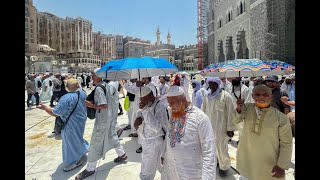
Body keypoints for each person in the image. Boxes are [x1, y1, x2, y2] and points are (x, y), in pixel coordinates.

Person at [76, 69, 127, 180]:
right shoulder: (110, 84)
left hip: (103, 121)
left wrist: (90, 105)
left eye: (93, 75)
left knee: (95, 144)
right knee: (112, 135)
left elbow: (103, 106)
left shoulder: (99, 88)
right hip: (111, 118)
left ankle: (90, 169)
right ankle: (122, 154)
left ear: (99, 75)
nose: (91, 77)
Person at [233, 85, 293, 180]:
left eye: (265, 95)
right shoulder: (246, 107)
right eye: (258, 94)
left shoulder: (281, 118)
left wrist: (281, 165)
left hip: (269, 163)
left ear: (271, 97)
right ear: (253, 96)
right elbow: (235, 120)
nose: (261, 97)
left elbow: (286, 143)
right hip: (246, 158)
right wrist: (238, 108)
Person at [161, 86, 216, 179]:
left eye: (171, 103)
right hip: (171, 168)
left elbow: (209, 152)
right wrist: (164, 154)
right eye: (168, 103)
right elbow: (169, 135)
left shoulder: (200, 118)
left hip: (190, 173)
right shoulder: (173, 112)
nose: (169, 106)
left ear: (182, 100)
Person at [37, 78, 89, 172]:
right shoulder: (83, 93)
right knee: (77, 137)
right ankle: (83, 150)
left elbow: (56, 113)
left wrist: (45, 108)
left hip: (70, 124)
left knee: (70, 143)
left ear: (67, 87)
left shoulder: (66, 98)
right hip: (81, 120)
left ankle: (75, 161)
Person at [201, 77, 236, 177]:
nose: (212, 86)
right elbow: (202, 111)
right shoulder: (207, 96)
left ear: (218, 84)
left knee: (222, 148)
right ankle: (216, 162)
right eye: (210, 84)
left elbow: (230, 113)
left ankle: (224, 167)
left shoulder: (226, 96)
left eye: (214, 84)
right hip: (209, 127)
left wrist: (230, 128)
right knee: (211, 147)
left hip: (221, 128)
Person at [135, 86, 169, 180]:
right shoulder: (148, 104)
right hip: (146, 141)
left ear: (150, 96)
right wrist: (139, 116)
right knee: (155, 166)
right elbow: (140, 112)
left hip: (155, 143)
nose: (141, 102)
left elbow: (158, 128)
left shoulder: (160, 107)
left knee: (148, 169)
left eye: (143, 99)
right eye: (140, 99)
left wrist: (145, 110)